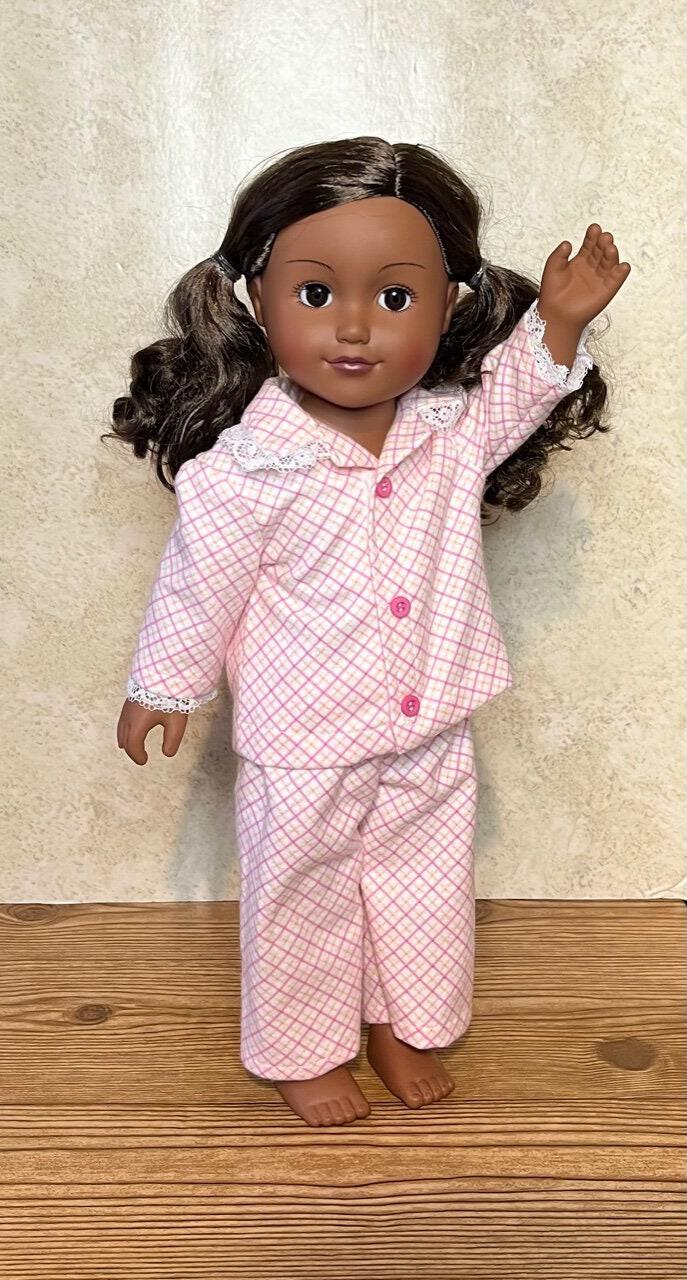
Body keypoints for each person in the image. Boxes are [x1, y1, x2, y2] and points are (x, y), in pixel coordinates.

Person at [105, 136, 631, 1128]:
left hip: (431, 721)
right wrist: (162, 686)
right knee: (300, 893)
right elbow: (196, 587)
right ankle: (304, 1049)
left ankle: (402, 1022)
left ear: (447, 305)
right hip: (304, 741)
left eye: (395, 297)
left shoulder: (448, 432)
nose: (353, 327)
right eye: (315, 293)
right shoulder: (246, 470)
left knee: (423, 883)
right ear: (256, 298)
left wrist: (559, 320)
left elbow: (517, 394)